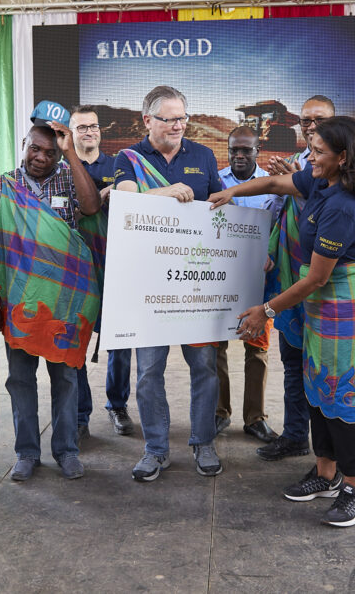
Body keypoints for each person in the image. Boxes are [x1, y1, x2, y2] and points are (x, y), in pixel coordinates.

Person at [210, 116, 355, 527]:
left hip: (344, 303)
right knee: (318, 387)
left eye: (319, 152)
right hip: (320, 303)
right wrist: (231, 191)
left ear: (343, 157)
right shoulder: (321, 182)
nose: (310, 158)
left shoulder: (344, 205)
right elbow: (273, 183)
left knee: (343, 394)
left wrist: (266, 310)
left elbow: (317, 278)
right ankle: (325, 473)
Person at [0, 103, 101, 482]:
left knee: (65, 379)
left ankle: (66, 450)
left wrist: (70, 153)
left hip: (65, 303)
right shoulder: (2, 186)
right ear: (23, 145)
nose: (41, 158)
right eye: (35, 149)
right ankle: (27, 452)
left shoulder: (69, 178)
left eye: (51, 152)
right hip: (18, 301)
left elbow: (91, 206)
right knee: (20, 380)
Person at [114, 85, 224, 481]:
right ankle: (156, 449)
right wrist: (166, 193)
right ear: (148, 120)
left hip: (196, 282)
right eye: (169, 119)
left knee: (205, 367)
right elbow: (125, 200)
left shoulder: (204, 155)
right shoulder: (128, 157)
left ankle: (203, 442)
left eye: (182, 118)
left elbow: (220, 208)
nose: (178, 126)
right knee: (148, 372)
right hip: (149, 284)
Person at [256, 95, 336, 461]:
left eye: (320, 119)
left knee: (323, 367)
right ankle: (294, 435)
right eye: (306, 120)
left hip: (323, 283)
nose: (311, 126)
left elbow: (325, 212)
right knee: (292, 362)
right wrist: (281, 182)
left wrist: (296, 183)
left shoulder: (343, 165)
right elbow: (274, 210)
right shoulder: (295, 161)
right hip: (289, 279)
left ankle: (329, 453)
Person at [70, 105, 134, 438]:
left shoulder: (118, 166)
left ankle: (117, 405)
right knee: (75, 342)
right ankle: (80, 413)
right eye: (81, 127)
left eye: (93, 126)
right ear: (70, 133)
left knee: (120, 342)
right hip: (77, 268)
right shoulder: (64, 169)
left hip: (116, 264)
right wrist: (94, 198)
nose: (89, 132)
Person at [215, 126, 282, 443]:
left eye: (246, 150)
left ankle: (255, 418)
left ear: (258, 150)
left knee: (257, 349)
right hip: (219, 278)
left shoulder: (273, 185)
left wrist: (271, 252)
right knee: (216, 348)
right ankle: (219, 413)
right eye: (234, 150)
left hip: (259, 282)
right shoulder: (216, 181)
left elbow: (279, 227)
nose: (239, 155)